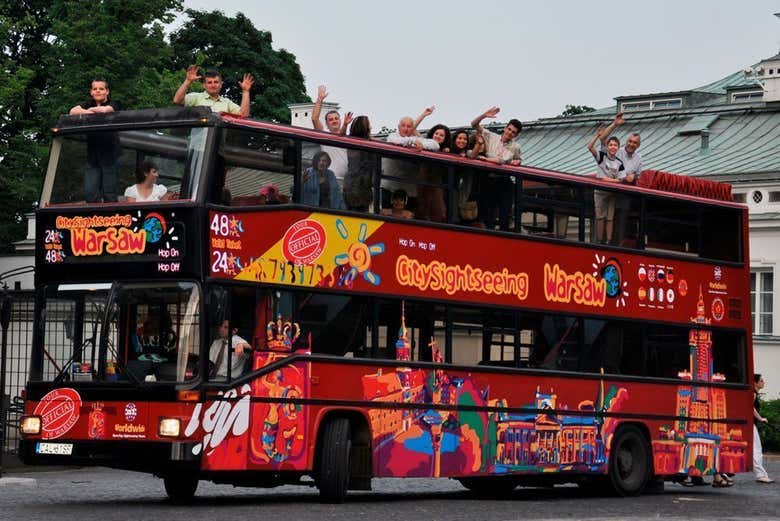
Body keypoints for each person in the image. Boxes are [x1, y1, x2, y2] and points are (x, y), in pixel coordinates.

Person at [70, 78, 122, 202]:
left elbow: (104, 110)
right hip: (92, 156)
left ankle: (112, 219)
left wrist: (87, 113)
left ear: (107, 91)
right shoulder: (88, 104)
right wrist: (89, 111)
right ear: (91, 92)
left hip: (111, 154)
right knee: (90, 192)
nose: (98, 91)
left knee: (109, 192)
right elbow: (72, 111)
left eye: (101, 89)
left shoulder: (116, 102)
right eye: (95, 89)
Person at [471, 107, 522, 230]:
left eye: (513, 132)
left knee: (505, 214)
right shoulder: (491, 136)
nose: (510, 133)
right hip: (488, 180)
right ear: (505, 128)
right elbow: (473, 124)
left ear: (516, 135)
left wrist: (485, 160)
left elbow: (502, 161)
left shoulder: (515, 146)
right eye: (509, 129)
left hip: (504, 181)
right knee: (488, 214)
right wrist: (484, 115)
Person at [597, 112, 642, 244]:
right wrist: (614, 124)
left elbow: (637, 177)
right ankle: (600, 243)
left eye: (635, 142)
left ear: (638, 145)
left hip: (623, 195)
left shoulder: (639, 159)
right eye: (629, 141)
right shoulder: (616, 150)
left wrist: (633, 177)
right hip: (608, 190)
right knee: (603, 218)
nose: (631, 144)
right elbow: (603, 139)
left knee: (621, 220)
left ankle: (616, 245)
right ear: (626, 142)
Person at [587, 130, 625, 244]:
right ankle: (599, 240)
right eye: (611, 145)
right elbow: (590, 147)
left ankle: (608, 240)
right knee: (600, 217)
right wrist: (597, 136)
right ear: (607, 147)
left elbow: (621, 180)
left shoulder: (619, 163)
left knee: (610, 218)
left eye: (615, 145)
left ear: (618, 147)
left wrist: (608, 180)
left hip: (612, 193)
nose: (613, 147)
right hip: (600, 192)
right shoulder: (602, 156)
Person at [173, 66, 254, 117]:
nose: (213, 85)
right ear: (204, 85)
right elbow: (177, 100)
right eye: (209, 82)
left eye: (216, 82)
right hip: (198, 141)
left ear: (221, 84)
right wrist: (188, 81)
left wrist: (246, 92)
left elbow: (243, 115)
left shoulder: (227, 102)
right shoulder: (196, 97)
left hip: (219, 142)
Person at [311, 85, 350, 183]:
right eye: (331, 119)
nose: (334, 121)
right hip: (329, 179)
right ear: (327, 124)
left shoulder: (350, 137)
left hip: (346, 181)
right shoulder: (324, 136)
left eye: (336, 118)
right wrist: (320, 99)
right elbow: (314, 118)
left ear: (341, 121)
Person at [416, 124, 451, 222]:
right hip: (422, 181)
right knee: (421, 208)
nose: (438, 136)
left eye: (441, 135)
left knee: (438, 210)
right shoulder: (425, 143)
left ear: (445, 139)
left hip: (436, 184)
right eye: (436, 133)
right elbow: (413, 128)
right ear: (432, 134)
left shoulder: (447, 151)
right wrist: (424, 114)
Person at [344, 116, 377, 212]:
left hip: (355, 185)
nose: (370, 127)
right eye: (368, 125)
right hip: (359, 186)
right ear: (364, 128)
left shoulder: (351, 142)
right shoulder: (364, 145)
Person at [753, 373, 775, 483]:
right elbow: (750, 407)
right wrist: (760, 418)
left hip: (750, 424)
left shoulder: (753, 393)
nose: (763, 382)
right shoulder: (753, 394)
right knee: (756, 450)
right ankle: (760, 475)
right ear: (755, 383)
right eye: (761, 380)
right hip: (750, 425)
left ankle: (725, 473)